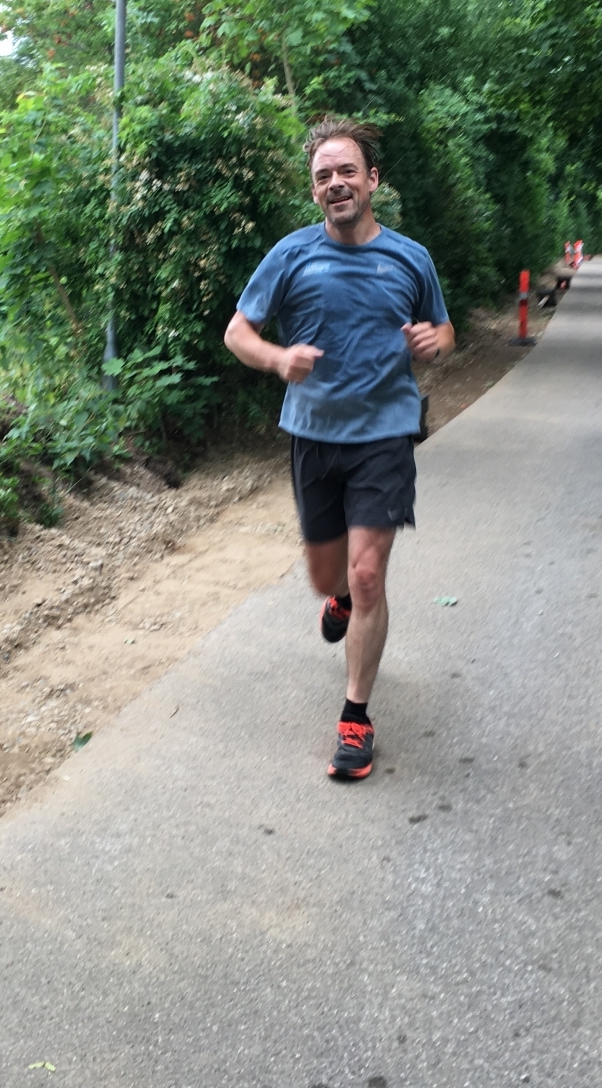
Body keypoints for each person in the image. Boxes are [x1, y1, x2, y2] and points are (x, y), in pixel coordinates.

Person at [223, 118, 454, 780]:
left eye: (347, 171)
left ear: (372, 180)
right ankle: (340, 599)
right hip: (313, 434)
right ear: (314, 191)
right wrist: (277, 358)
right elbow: (238, 332)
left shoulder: (410, 258)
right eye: (323, 176)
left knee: (368, 573)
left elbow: (444, 330)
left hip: (385, 433)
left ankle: (356, 717)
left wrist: (435, 343)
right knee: (328, 578)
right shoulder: (291, 255)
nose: (336, 183)